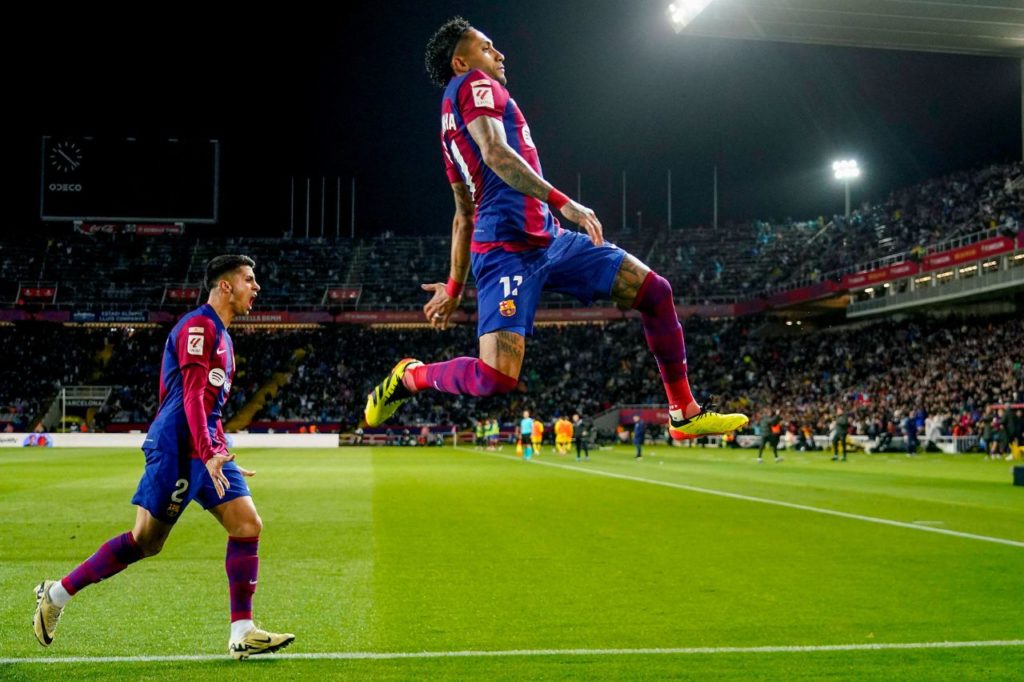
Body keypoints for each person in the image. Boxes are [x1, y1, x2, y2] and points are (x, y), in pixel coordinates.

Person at [363, 17, 748, 443]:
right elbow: (495, 154)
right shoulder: (474, 84)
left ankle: (684, 412)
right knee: (496, 378)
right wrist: (566, 202)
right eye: (487, 47)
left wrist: (454, 288)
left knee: (655, 291)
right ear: (460, 62)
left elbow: (462, 213)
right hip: (505, 250)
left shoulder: (451, 125)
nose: (499, 53)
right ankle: (410, 377)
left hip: (549, 241)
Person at [31, 255, 294, 660]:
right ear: (225, 286)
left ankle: (242, 631)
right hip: (177, 448)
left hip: (206, 450)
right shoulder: (198, 326)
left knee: (247, 523)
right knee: (146, 542)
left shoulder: (225, 338)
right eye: (249, 279)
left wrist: (219, 452)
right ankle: (56, 594)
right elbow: (190, 395)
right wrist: (207, 452)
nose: (256, 287)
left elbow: (210, 408)